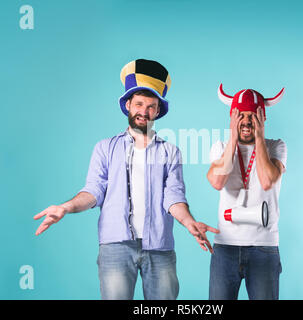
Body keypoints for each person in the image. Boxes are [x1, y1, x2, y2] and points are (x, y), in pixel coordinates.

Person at [34, 59, 219, 300]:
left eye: (151, 106)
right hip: (115, 247)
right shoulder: (105, 148)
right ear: (128, 105)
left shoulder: (170, 152)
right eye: (139, 104)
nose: (144, 111)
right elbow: (93, 191)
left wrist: (189, 222)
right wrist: (65, 208)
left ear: (158, 111)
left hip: (160, 248)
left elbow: (173, 197)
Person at [207, 85, 287, 300]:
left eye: (253, 115)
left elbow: (267, 180)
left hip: (264, 248)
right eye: (240, 115)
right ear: (232, 117)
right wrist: (233, 138)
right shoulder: (220, 147)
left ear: (263, 118)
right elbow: (217, 181)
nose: (247, 121)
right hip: (225, 249)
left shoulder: (276, 146)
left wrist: (259, 138)